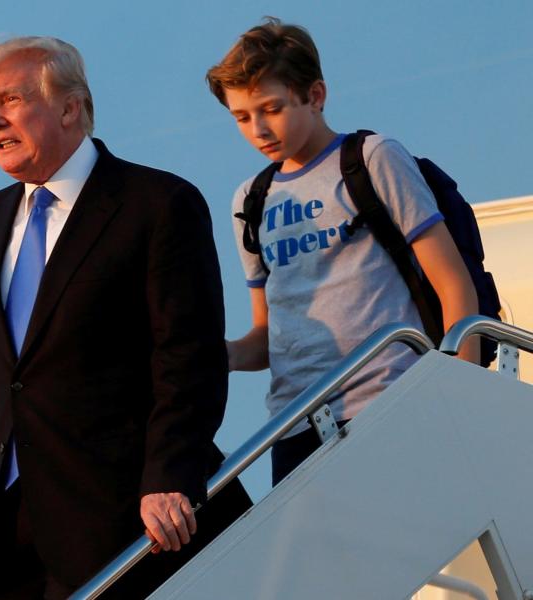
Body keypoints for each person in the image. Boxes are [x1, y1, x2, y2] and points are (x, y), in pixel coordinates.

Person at [0, 37, 251, 599]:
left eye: (12, 100)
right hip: (6, 531)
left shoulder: (157, 203)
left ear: (71, 107)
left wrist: (169, 477)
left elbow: (188, 356)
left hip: (125, 513)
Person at [205, 18, 479, 486]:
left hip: (390, 397)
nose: (258, 129)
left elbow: (452, 281)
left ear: (315, 95)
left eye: (271, 108)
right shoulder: (249, 200)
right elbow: (266, 336)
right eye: (242, 117)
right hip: (294, 423)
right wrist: (221, 353)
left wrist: (462, 389)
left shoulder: (371, 158)